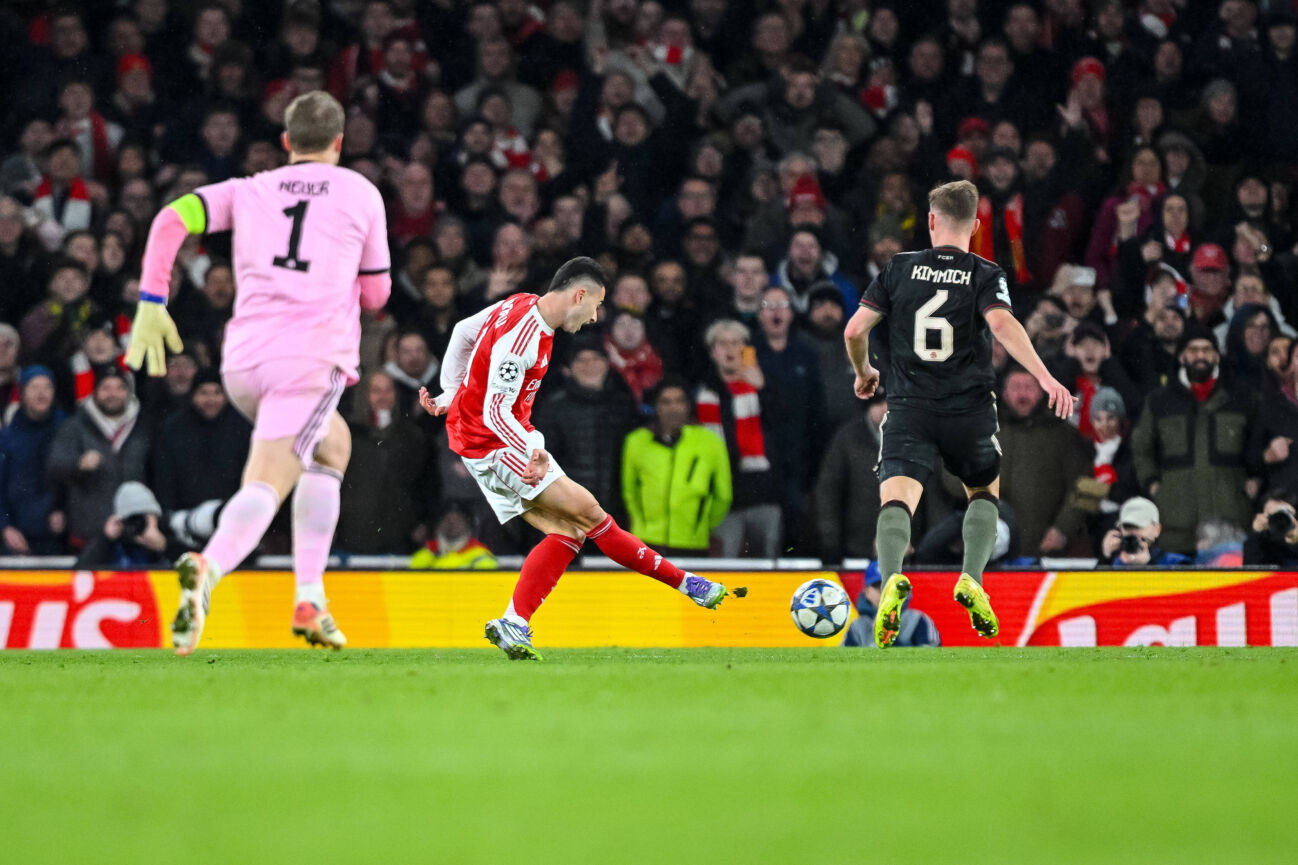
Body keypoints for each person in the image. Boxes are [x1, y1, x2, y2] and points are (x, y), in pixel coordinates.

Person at [122, 91, 392, 655]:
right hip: (309, 361)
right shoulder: (361, 192)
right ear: (340, 143)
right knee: (270, 476)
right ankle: (209, 566)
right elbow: (377, 292)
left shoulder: (249, 190)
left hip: (243, 364)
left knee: (331, 447)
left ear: (286, 143)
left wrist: (152, 298)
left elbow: (173, 217)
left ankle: (310, 599)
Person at [420, 257, 733, 660]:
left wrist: (451, 394)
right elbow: (496, 412)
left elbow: (464, 332)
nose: (596, 316)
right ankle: (689, 584)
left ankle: (514, 621)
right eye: (597, 305)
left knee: (570, 533)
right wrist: (535, 448)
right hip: (494, 443)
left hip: (483, 439)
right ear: (578, 294)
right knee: (591, 514)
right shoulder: (524, 341)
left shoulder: (520, 303)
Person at [845, 179, 1075, 648]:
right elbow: (1003, 324)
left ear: (930, 221)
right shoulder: (985, 272)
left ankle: (890, 578)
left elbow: (854, 329)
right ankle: (972, 577)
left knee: (897, 501)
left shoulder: (898, 268)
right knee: (982, 495)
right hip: (969, 409)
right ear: (975, 226)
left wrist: (864, 369)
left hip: (909, 407)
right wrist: (1046, 376)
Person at [1130, 326, 1258, 555]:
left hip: (1228, 521)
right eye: (1193, 350)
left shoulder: (1243, 397)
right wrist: (1152, 484)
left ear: (1217, 356)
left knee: (1227, 590)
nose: (1200, 356)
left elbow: (1257, 443)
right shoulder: (1159, 400)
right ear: (1182, 356)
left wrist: (1255, 478)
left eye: (1207, 350)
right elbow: (1141, 448)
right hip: (1175, 524)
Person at [620, 379, 732, 555]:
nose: (674, 408)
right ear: (656, 407)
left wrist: (700, 525)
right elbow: (629, 491)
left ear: (688, 405)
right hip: (646, 542)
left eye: (680, 401)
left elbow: (723, 494)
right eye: (666, 402)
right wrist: (641, 524)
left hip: (693, 542)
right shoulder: (637, 441)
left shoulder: (710, 442)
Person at [47, 366, 150, 551]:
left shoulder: (143, 426)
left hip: (135, 533)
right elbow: (55, 466)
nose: (113, 394)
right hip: (89, 534)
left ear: (128, 392)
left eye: (119, 388)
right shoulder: (74, 426)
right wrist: (78, 465)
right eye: (106, 388)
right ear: (94, 392)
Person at [0, 367, 65, 555]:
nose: (41, 393)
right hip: (14, 538)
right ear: (23, 393)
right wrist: (5, 527)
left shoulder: (66, 432)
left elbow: (72, 482)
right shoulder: (7, 437)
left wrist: (63, 510)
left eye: (47, 387)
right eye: (34, 387)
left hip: (57, 538)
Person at [841, 561, 941, 648]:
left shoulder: (918, 620)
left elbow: (934, 659)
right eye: (878, 587)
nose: (885, 592)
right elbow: (844, 663)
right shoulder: (857, 627)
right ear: (867, 592)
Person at [1099, 496, 1190, 567]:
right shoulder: (1116, 562)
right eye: (1128, 527)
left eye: (1138, 526)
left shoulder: (1178, 563)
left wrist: (1148, 564)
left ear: (1157, 530)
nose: (1133, 533)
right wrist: (1106, 557)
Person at [409, 503, 498, 569]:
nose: (452, 523)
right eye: (447, 519)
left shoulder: (480, 556)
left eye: (458, 520)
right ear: (438, 525)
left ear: (468, 526)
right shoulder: (425, 555)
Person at [1242, 489, 1298, 568]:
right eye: (1273, 516)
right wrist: (1255, 536)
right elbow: (1251, 575)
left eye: (1286, 515)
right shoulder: (1262, 543)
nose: (1280, 521)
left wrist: (1295, 541)